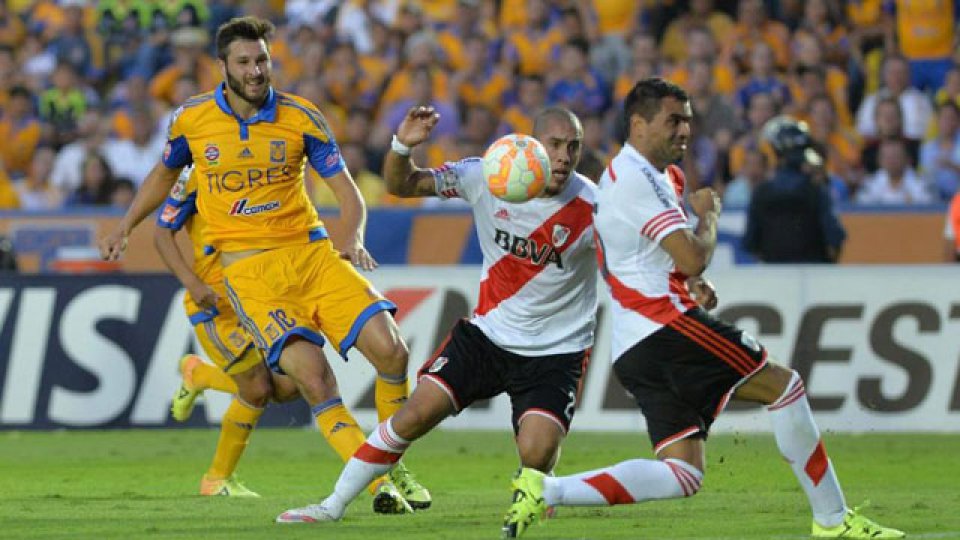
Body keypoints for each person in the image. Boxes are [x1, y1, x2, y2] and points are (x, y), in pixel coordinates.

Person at [502, 78, 904, 539]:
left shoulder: (659, 177)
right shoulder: (632, 177)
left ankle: (546, 490)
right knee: (785, 387)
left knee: (683, 475)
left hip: (636, 345)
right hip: (664, 327)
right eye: (673, 121)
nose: (684, 131)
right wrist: (709, 215)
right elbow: (693, 252)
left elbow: (650, 260)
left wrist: (691, 282)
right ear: (638, 124)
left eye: (689, 121)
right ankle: (833, 521)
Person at [98, 16, 428, 513]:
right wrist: (126, 225)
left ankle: (394, 463)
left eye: (262, 60)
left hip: (314, 257)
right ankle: (379, 484)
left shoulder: (301, 117)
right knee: (309, 383)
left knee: (394, 354)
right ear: (223, 67)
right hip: (251, 277)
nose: (256, 71)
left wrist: (353, 234)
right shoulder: (192, 121)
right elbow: (162, 175)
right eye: (245, 62)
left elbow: (346, 191)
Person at [274, 106, 599, 529]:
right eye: (555, 144)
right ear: (533, 144)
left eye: (573, 146)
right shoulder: (488, 175)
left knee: (536, 453)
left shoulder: (593, 205)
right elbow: (402, 183)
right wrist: (401, 146)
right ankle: (331, 505)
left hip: (556, 351)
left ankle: (540, 482)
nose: (564, 156)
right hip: (488, 337)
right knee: (411, 416)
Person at [743, 116, 846, 263]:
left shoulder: (761, 192)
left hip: (773, 275)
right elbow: (835, 238)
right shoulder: (816, 190)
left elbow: (750, 243)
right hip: (813, 276)